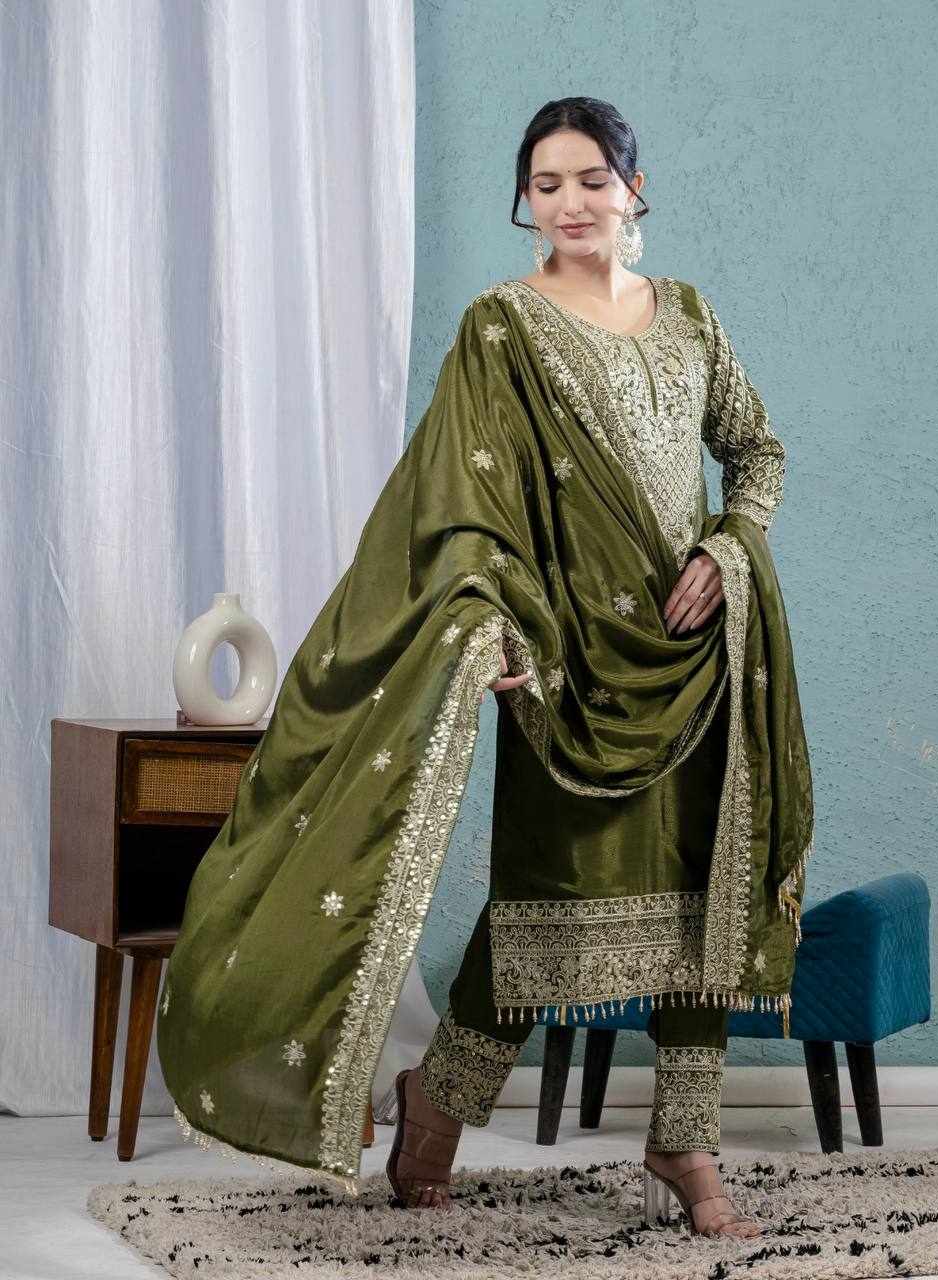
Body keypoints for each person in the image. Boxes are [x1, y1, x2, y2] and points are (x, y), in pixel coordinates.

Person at [157, 96, 814, 1242]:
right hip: (569, 668)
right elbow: (462, 507)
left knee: (703, 904)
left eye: (591, 180)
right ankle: (438, 1105)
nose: (569, 203)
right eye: (546, 185)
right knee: (539, 911)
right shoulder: (501, 329)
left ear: (634, 188)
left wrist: (727, 548)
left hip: (699, 661)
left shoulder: (692, 320)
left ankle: (687, 1138)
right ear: (526, 201)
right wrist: (496, 623)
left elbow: (756, 450)